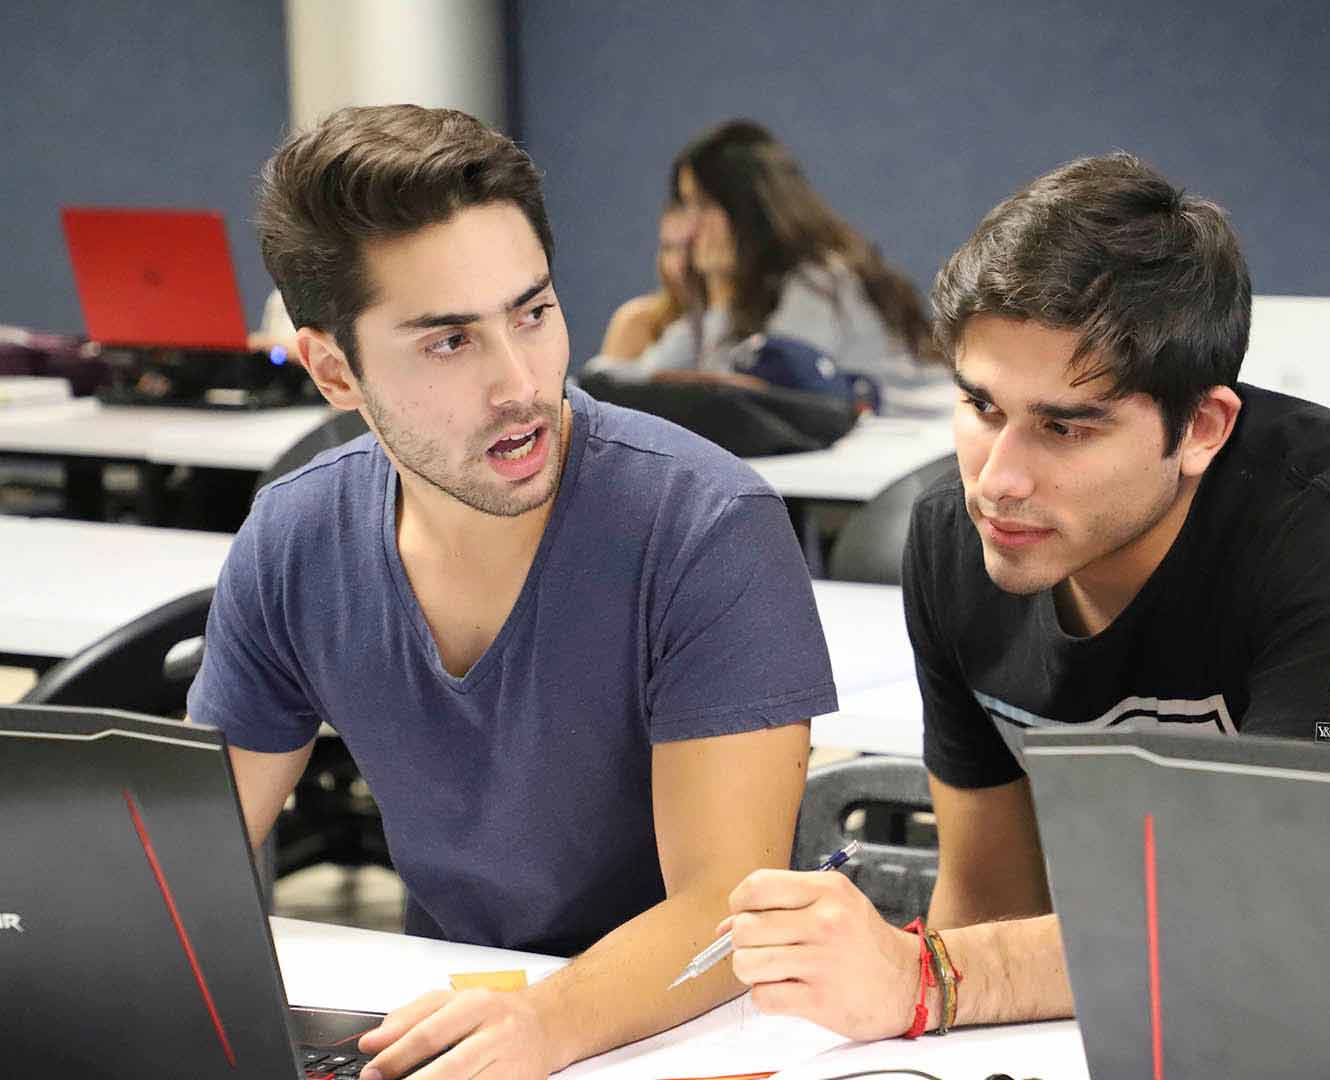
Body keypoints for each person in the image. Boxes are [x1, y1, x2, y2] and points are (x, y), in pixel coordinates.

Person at [187, 105, 836, 1079]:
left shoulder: (705, 525)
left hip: (691, 1040)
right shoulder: (295, 540)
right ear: (333, 369)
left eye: (532, 313)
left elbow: (723, 912)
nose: (521, 381)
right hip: (456, 1025)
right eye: (450, 342)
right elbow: (177, 866)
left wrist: (545, 1023)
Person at [719, 153, 1330, 1038]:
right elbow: (988, 893)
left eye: (1064, 427)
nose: (998, 482)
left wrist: (928, 979)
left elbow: (1278, 910)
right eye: (982, 407)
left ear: (1203, 429)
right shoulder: (952, 541)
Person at [582, 119, 951, 416]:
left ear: (752, 208)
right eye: (686, 206)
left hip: (915, 464)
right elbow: (643, 375)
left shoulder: (820, 279)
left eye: (704, 205)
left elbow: (764, 392)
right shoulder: (750, 298)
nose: (690, 228)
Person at [597, 204, 698, 362]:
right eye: (669, 248)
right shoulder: (635, 323)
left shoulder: (739, 332)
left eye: (690, 247)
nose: (679, 264)